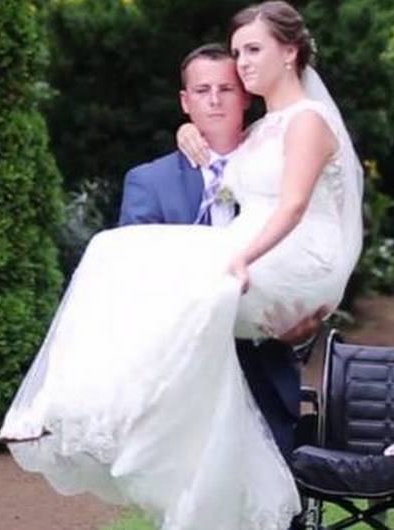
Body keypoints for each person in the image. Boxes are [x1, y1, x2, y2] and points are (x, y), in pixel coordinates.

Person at [0, 2, 364, 529]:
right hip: (197, 368)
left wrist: (242, 257)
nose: (241, 66)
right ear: (186, 101)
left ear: (291, 51)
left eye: (252, 51)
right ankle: (75, 410)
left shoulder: (306, 121)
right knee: (110, 251)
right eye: (237, 53)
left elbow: (292, 205)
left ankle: (81, 411)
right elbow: (232, 170)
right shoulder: (257, 135)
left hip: (272, 307)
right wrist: (187, 135)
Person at [118, 42, 322, 462]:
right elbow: (133, 278)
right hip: (181, 381)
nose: (214, 100)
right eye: (202, 90)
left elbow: (313, 251)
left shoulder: (282, 173)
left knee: (276, 514)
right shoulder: (148, 182)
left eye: (226, 89)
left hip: (266, 370)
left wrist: (305, 321)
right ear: (185, 101)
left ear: (246, 95)